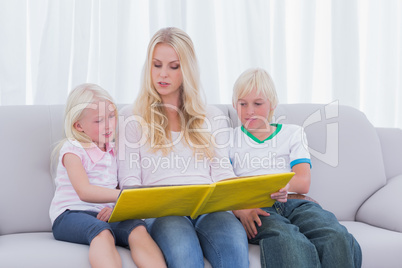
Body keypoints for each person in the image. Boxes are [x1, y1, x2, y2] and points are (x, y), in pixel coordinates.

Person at [117, 27, 249, 268]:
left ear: (186, 70)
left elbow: (222, 173)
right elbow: (129, 182)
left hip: (210, 210)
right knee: (183, 250)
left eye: (173, 66)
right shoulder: (131, 118)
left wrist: (245, 202)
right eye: (157, 65)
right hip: (163, 213)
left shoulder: (212, 117)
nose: (163, 74)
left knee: (234, 247)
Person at [230, 68, 362, 268]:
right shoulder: (227, 140)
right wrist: (241, 210)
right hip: (258, 208)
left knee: (336, 235)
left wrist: (282, 186)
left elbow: (303, 182)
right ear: (234, 104)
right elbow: (223, 184)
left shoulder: (293, 133)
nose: (249, 111)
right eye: (242, 104)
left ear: (272, 104)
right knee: (289, 241)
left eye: (257, 104)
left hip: (295, 202)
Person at [49, 83, 166, 268]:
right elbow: (84, 191)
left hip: (104, 214)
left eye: (111, 116)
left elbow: (116, 186)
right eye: (99, 120)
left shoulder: (114, 149)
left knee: (137, 228)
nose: (108, 125)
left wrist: (118, 208)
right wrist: (124, 195)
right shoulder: (73, 149)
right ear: (78, 126)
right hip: (70, 215)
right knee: (101, 231)